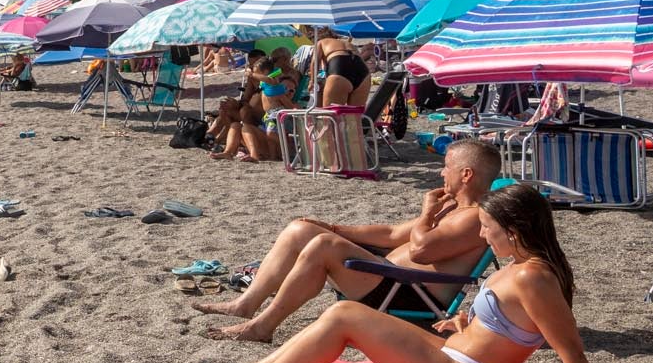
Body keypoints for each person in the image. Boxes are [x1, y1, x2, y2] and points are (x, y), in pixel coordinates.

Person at [206, 185, 653, 363]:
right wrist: (465, 321)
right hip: (457, 357)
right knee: (342, 316)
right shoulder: (519, 267)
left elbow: (572, 354)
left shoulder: (535, 278)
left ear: (513, 230)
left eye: (488, 229)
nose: (483, 237)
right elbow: (510, 327)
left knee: (346, 314)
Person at [195, 139, 503, 342]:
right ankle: (245, 305)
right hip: (387, 277)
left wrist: (425, 214)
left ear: (466, 174)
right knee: (301, 230)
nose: (441, 172)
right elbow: (392, 234)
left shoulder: (474, 217)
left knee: (324, 246)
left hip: (409, 294)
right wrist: (331, 227)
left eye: (447, 166)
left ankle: (262, 327)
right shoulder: (453, 208)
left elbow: (421, 251)